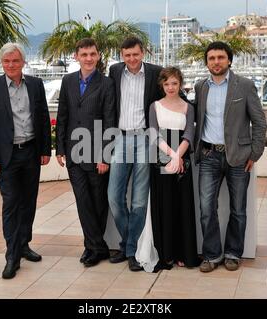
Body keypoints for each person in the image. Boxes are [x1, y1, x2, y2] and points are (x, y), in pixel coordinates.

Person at [193, 41, 267, 272]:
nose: (216, 62)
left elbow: (259, 122)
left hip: (238, 157)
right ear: (207, 62)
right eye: (212, 58)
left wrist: (255, 153)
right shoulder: (200, 87)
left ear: (229, 60)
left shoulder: (244, 86)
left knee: (238, 209)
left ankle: (234, 253)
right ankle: (212, 255)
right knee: (206, 208)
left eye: (220, 57)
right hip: (208, 155)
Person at [0, 42, 51, 279]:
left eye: (15, 61)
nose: (11, 65)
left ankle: (23, 244)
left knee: (28, 202)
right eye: (7, 61)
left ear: (23, 62)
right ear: (2, 63)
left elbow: (42, 117)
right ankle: (12, 255)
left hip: (30, 151)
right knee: (11, 204)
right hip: (6, 156)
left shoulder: (36, 84)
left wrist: (45, 149)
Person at [56, 38, 116, 268]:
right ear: (76, 56)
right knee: (83, 201)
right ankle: (95, 247)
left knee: (99, 203)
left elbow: (110, 120)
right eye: (84, 54)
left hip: (96, 154)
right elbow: (62, 116)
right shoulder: (67, 81)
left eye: (92, 54)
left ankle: (93, 248)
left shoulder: (107, 84)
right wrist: (60, 148)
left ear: (98, 56)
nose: (88, 58)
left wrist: (105, 155)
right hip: (73, 153)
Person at [107, 37, 163, 271]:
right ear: (122, 55)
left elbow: (170, 96)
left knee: (139, 201)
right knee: (114, 197)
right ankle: (130, 244)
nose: (131, 59)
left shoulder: (155, 73)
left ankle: (130, 250)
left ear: (143, 53)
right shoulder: (114, 71)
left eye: (135, 54)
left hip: (145, 139)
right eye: (127, 55)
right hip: (120, 138)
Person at [148, 67, 200, 270]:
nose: (170, 87)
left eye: (174, 83)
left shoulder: (188, 107)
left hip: (182, 158)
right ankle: (166, 253)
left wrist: (179, 156)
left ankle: (183, 253)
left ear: (180, 84)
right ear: (162, 85)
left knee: (182, 205)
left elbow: (189, 133)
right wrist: (171, 154)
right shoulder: (155, 106)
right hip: (161, 156)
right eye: (167, 83)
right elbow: (153, 133)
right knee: (165, 204)